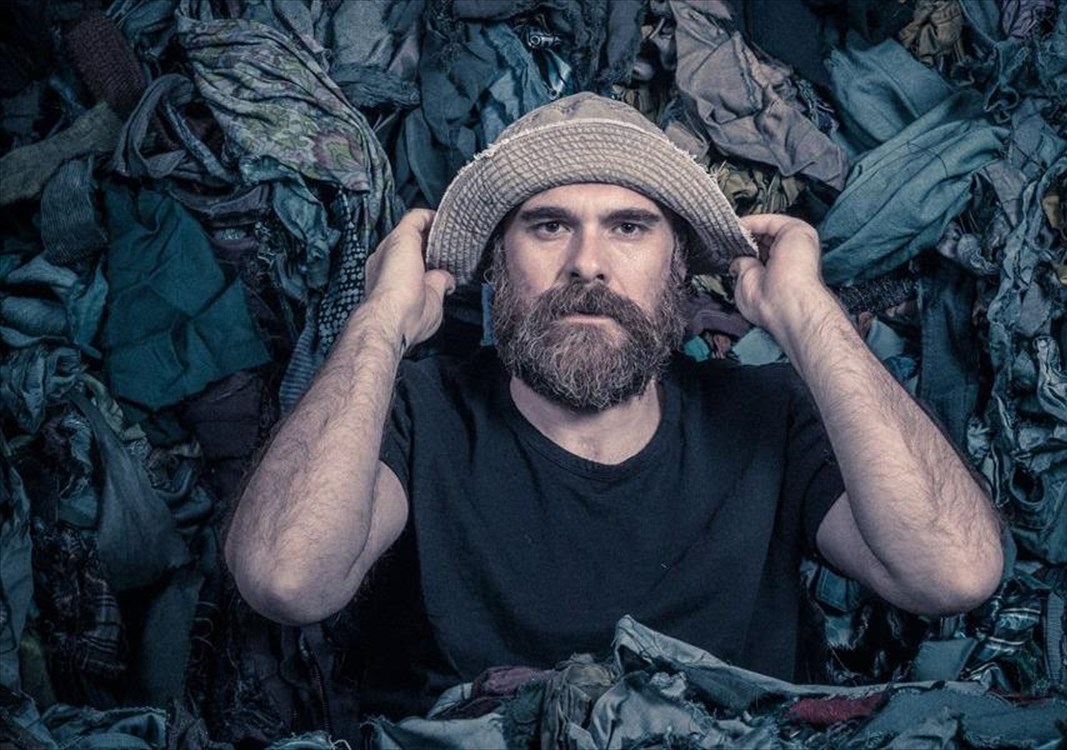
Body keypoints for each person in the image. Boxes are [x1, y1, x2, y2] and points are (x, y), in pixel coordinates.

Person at [223, 93, 1004, 714]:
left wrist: (806, 312)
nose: (587, 263)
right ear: (495, 268)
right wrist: (380, 321)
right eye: (548, 226)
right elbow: (287, 580)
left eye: (629, 227)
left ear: (678, 271)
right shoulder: (418, 412)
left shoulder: (767, 412)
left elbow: (954, 573)